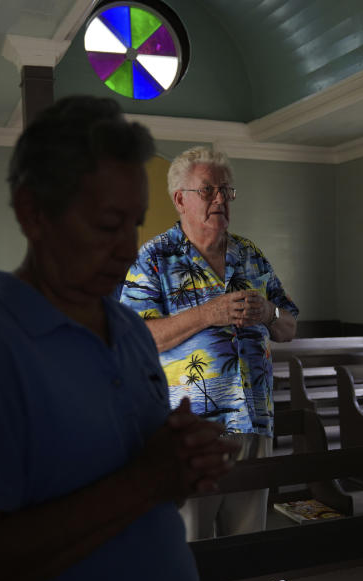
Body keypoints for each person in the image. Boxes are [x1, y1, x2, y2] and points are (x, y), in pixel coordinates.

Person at [0, 97, 237, 581]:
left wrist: (180, 463)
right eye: (108, 224)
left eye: (134, 225)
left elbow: (151, 493)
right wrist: (146, 481)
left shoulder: (131, 332)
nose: (127, 249)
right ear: (33, 211)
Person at [120, 146, 299, 540]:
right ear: (179, 199)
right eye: (208, 190)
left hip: (254, 425)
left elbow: (289, 327)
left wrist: (268, 313)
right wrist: (208, 314)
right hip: (190, 434)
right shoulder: (152, 260)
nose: (220, 199)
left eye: (226, 191)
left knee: (249, 550)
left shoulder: (250, 255)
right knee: (191, 551)